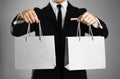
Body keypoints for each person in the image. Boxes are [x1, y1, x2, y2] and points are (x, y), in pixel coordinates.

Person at [11, 0, 108, 79]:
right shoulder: (38, 13)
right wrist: (20, 17)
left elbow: (104, 34)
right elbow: (16, 32)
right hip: (43, 76)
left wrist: (96, 22)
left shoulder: (80, 13)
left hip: (75, 76)